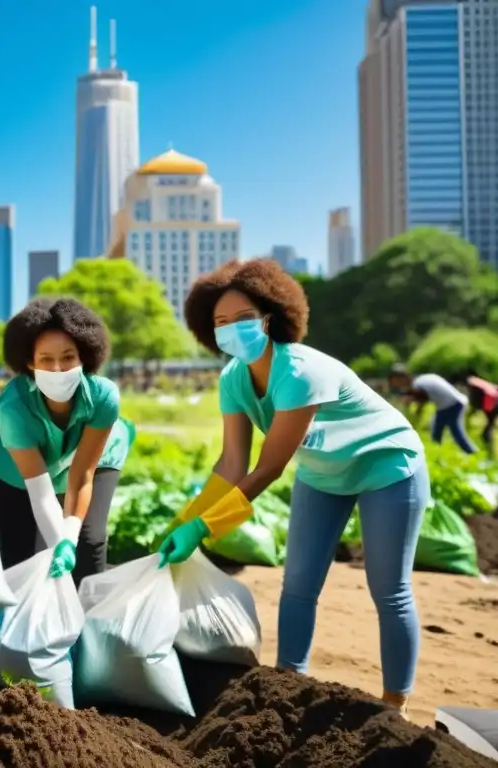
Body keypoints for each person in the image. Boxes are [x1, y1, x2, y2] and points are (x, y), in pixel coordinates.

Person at [160, 258, 427, 717]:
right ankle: (287, 684)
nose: (230, 330)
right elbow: (231, 463)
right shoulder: (233, 379)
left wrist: (205, 528)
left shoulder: (300, 371)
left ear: (270, 317)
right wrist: (185, 520)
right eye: (220, 323)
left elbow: (268, 468)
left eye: (243, 319)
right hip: (322, 474)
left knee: (389, 588)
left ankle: (395, 706)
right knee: (299, 584)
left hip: (386, 466)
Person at [0, 297, 132, 586]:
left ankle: (88, 622)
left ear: (83, 357)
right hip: (12, 470)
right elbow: (41, 493)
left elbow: (82, 475)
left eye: (68, 357)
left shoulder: (104, 396)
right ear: (29, 363)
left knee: (89, 538)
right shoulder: (15, 407)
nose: (58, 369)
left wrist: (69, 534)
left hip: (87, 462)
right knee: (21, 552)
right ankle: (18, 624)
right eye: (45, 360)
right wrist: (57, 544)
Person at [389, 367, 476, 454]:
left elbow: (422, 398)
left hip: (451, 404)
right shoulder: (421, 380)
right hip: (451, 404)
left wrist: (414, 407)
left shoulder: (418, 384)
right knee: (439, 431)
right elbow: (422, 397)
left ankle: (471, 452)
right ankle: (440, 453)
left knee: (451, 432)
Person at [467, 375, 498, 448]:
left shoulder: (475, 384)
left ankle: (486, 437)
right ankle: (485, 437)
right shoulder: (477, 385)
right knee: (490, 423)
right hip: (491, 403)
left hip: (491, 402)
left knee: (490, 423)